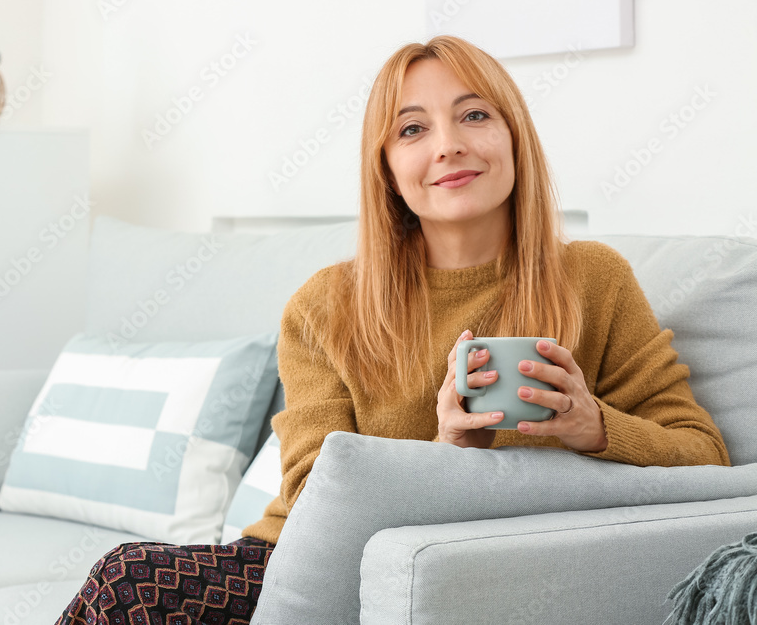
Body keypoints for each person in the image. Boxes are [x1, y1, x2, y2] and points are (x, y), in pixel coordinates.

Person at [55, 34, 731, 625]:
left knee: (126, 580)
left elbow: (706, 455)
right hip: (302, 567)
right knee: (131, 576)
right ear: (386, 167)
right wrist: (443, 450)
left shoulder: (594, 279)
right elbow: (317, 503)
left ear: (514, 136)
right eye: (413, 129)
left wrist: (594, 424)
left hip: (474, 571)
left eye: (474, 115)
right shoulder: (325, 305)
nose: (449, 145)